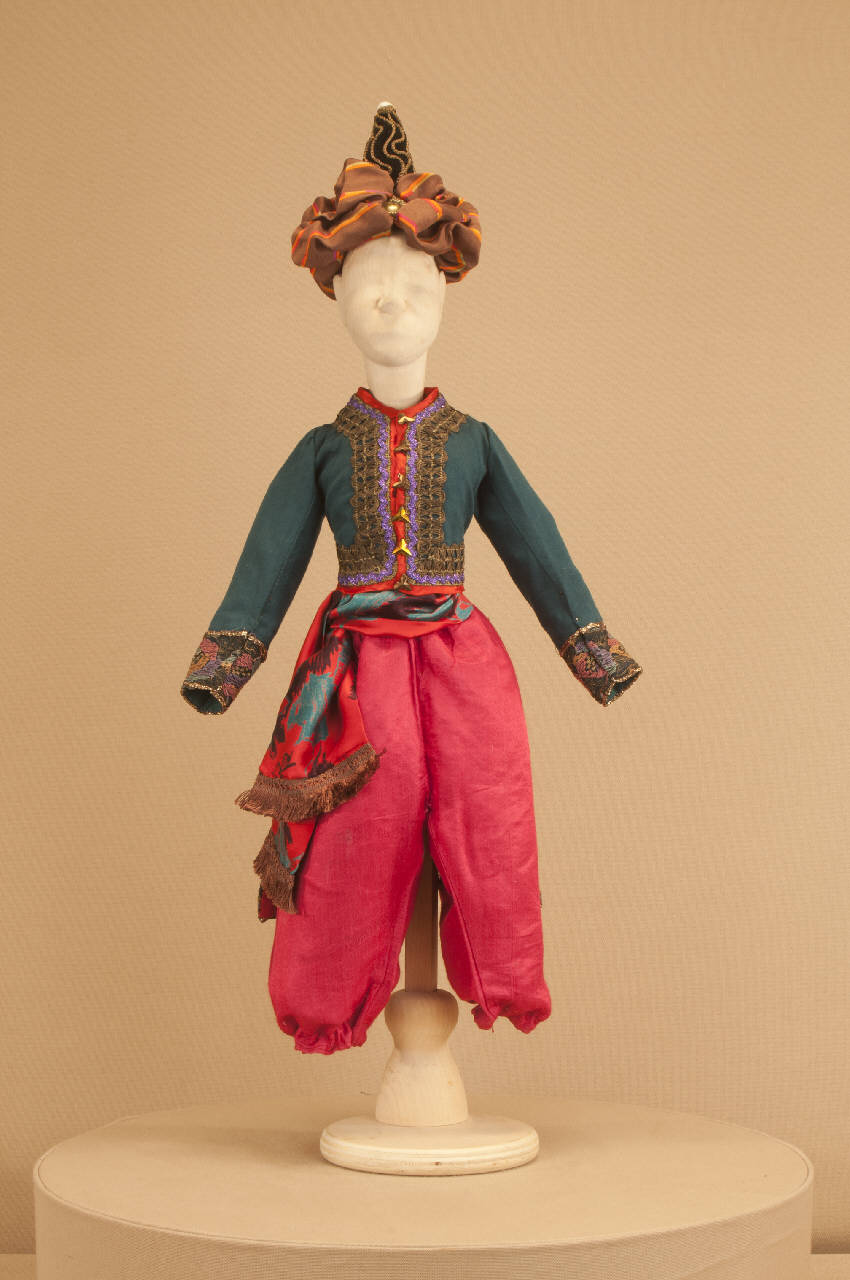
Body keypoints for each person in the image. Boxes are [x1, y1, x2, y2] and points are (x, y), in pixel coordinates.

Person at [181, 104, 642, 1055]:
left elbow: (537, 549)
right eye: (369, 287)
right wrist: (222, 668)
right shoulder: (323, 448)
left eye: (414, 284)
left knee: (489, 821)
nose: (393, 305)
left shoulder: (473, 441)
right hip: (355, 675)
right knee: (355, 840)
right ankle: (330, 999)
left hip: (464, 660)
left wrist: (594, 655)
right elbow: (269, 558)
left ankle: (503, 980)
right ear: (336, 299)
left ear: (445, 292)